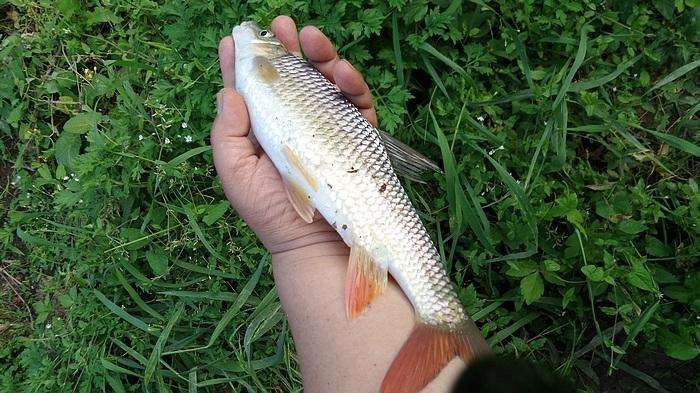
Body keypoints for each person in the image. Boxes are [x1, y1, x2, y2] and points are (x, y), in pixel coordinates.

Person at [211, 15, 466, 392]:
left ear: (269, 49)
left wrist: (303, 246)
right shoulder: (266, 66)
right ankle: (454, 334)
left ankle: (443, 322)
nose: (255, 30)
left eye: (264, 33)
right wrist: (303, 240)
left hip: (347, 170)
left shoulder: (267, 63)